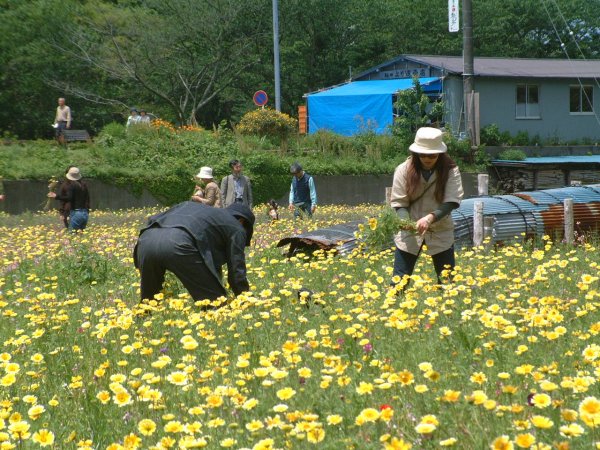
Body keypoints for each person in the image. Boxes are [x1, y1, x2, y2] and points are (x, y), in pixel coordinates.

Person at [133, 202, 255, 303]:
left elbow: (152, 219)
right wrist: (245, 298)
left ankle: (143, 328)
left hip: (146, 241)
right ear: (242, 222)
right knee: (215, 303)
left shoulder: (205, 214)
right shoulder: (236, 227)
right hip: (178, 242)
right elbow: (236, 269)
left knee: (149, 303)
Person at [390, 127, 463, 287]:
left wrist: (430, 218)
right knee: (399, 281)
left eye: (432, 155)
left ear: (440, 153)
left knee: (448, 280)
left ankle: (450, 310)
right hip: (409, 230)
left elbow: (452, 201)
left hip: (440, 228)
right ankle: (393, 308)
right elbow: (399, 203)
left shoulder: (451, 170)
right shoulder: (403, 169)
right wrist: (405, 222)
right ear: (416, 153)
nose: (427, 158)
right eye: (422, 154)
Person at [48, 167, 90, 231]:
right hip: (84, 213)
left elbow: (69, 198)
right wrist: (87, 210)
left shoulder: (71, 185)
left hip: (76, 212)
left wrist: (56, 196)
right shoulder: (83, 185)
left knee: (72, 235)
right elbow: (87, 199)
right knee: (81, 234)